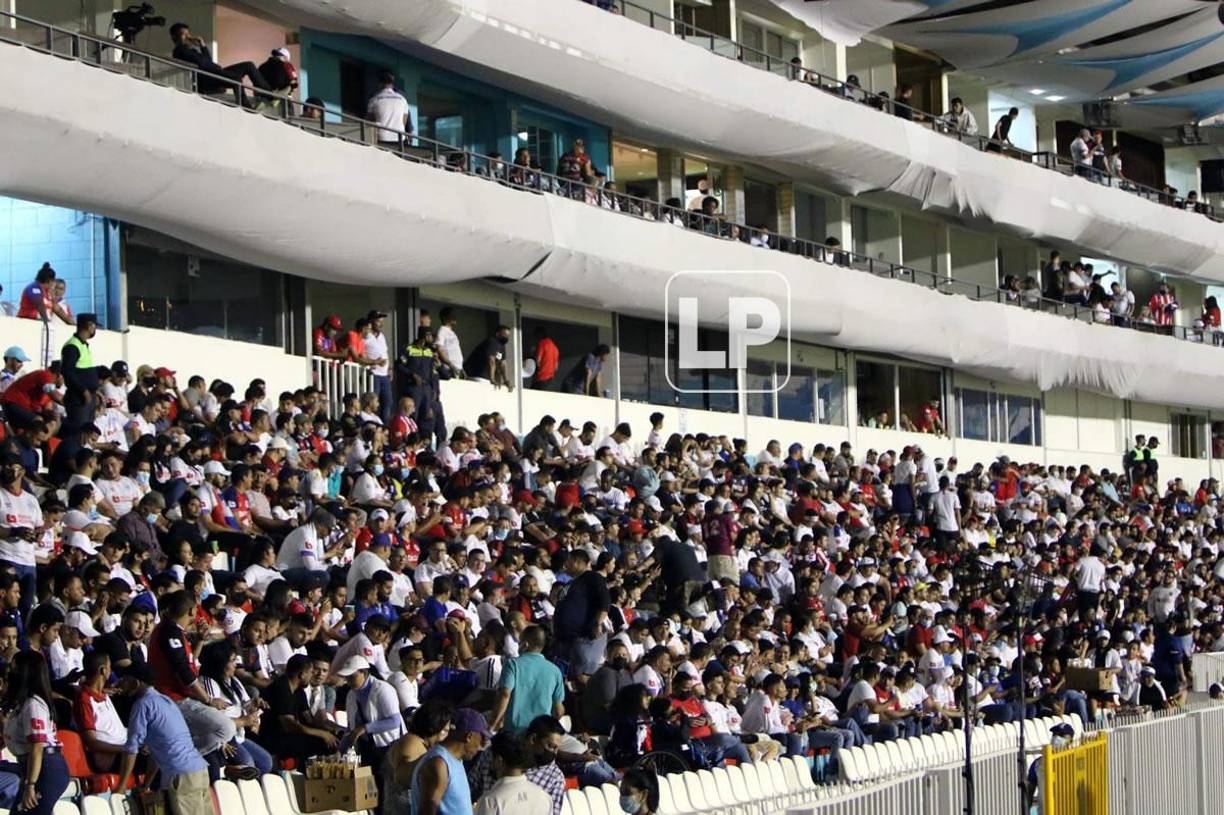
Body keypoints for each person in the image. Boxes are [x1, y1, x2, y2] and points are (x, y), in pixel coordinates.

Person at [115, 663, 212, 815]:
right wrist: (146, 784)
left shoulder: (142, 705)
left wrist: (120, 789)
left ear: (136, 682)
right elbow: (157, 751)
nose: (122, 684)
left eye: (125, 679)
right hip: (199, 771)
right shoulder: (166, 702)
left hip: (182, 776)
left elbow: (131, 749)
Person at [2, 652, 70, 815]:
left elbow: (37, 747)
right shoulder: (23, 704)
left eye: (14, 669)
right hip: (32, 767)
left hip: (45, 769)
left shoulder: (34, 705)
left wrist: (30, 785)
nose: (9, 674)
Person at [411, 707, 490, 815]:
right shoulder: (439, 764)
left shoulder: (456, 760)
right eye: (482, 740)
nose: (481, 747)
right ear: (469, 736)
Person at [169, 23, 271, 106]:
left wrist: (203, 46)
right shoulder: (179, 51)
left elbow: (209, 61)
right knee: (235, 79)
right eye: (184, 34)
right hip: (207, 79)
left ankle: (268, 95)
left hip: (216, 73)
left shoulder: (191, 50)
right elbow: (202, 64)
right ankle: (246, 107)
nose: (188, 36)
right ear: (175, 37)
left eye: (188, 34)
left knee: (248, 65)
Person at [490, 626, 564, 733]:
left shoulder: (512, 664)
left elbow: (505, 694)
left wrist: (493, 724)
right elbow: (558, 711)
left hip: (513, 731)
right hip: (539, 734)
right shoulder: (556, 671)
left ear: (525, 645)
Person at [384, 704, 454, 815]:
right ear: (434, 726)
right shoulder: (412, 742)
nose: (447, 736)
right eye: (445, 730)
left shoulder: (417, 742)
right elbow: (403, 777)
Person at [474, 731, 552, 815]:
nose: (489, 763)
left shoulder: (491, 801)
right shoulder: (544, 797)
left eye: (491, 757)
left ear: (499, 761)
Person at [60, 312, 101, 435]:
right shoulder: (73, 346)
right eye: (94, 326)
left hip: (88, 396)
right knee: (79, 432)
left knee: (88, 432)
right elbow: (68, 372)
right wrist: (84, 391)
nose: (95, 330)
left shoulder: (83, 345)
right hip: (79, 398)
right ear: (88, 326)